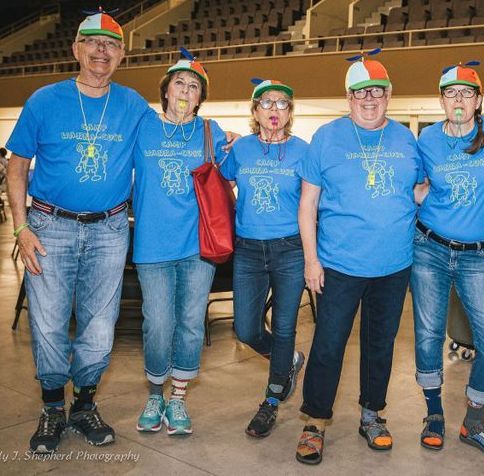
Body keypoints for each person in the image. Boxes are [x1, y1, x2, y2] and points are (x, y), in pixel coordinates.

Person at [6, 10, 150, 453]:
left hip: (109, 229)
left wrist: (218, 140)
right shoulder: (44, 101)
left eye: (111, 44)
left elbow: (170, 143)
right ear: (76, 49)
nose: (101, 50)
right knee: (48, 325)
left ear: (122, 54)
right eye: (92, 42)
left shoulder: (133, 106)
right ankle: (52, 408)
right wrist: (21, 227)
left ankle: (84, 405)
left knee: (100, 325)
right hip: (49, 226)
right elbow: (16, 165)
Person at [294, 52, 421, 465]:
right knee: (328, 345)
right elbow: (307, 204)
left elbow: (419, 191)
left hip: (394, 265)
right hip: (339, 265)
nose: (370, 100)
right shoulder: (327, 138)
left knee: (380, 345)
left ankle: (372, 415)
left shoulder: (406, 140)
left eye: (378, 93)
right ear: (348, 98)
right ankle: (315, 422)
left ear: (388, 97)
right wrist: (312, 260)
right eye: (361, 93)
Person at [411, 62, 484, 458]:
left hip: (481, 255)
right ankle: (434, 413)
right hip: (430, 248)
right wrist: (427, 196)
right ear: (441, 100)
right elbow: (417, 183)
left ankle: (474, 421)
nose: (459, 99)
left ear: (479, 100)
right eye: (451, 93)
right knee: (428, 334)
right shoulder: (426, 138)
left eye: (466, 93)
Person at [132, 50, 226, 436]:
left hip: (197, 247)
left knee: (190, 324)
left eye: (194, 86)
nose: (186, 90)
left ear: (200, 97)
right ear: (166, 91)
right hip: (152, 246)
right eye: (179, 83)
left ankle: (178, 399)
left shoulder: (210, 131)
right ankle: (155, 392)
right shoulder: (143, 126)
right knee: (157, 323)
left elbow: (234, 167)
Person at [219, 78, 308, 438]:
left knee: (285, 327)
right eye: (266, 103)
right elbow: (221, 180)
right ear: (255, 112)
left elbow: (315, 200)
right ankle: (288, 361)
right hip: (249, 250)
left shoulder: (305, 150)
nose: (274, 110)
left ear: (290, 113)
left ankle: (270, 403)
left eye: (282, 103)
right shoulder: (241, 151)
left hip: (290, 249)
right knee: (246, 329)